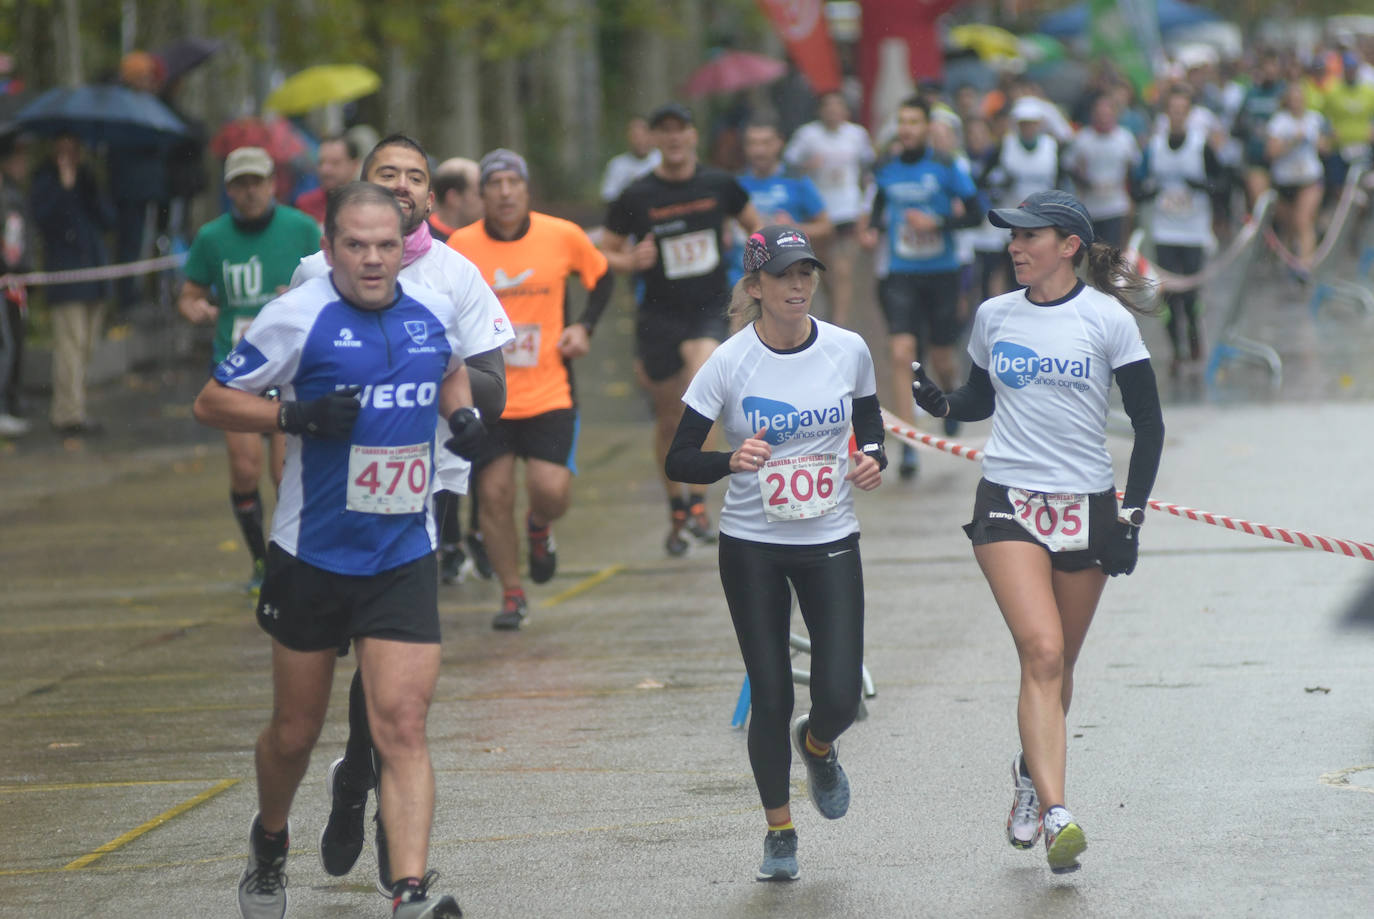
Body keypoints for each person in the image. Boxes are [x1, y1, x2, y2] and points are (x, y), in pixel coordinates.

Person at [195, 182, 468, 919]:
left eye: (386, 244)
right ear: (330, 245)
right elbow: (212, 400)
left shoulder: (432, 310)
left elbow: (450, 367)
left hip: (404, 549)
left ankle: (408, 893)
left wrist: (463, 413)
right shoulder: (297, 316)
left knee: (402, 723)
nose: (373, 259)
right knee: (296, 731)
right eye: (356, 244)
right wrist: (295, 413)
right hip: (312, 553)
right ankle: (270, 840)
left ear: (404, 242)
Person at [910, 189, 1164, 874]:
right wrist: (942, 403)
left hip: (1086, 505)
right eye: (1011, 237)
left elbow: (1149, 423)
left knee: (1059, 667)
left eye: (1029, 236)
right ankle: (1057, 812)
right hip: (1008, 501)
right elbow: (980, 398)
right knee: (1043, 651)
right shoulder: (994, 314)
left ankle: (1029, 773)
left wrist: (1131, 513)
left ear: (1070, 245)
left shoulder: (1106, 319)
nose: (1015, 247)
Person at [292, 134, 511, 896]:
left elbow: (493, 381)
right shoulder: (316, 271)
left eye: (417, 176)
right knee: (345, 666)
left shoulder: (454, 274)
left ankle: (372, 791)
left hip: (424, 489)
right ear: (363, 187)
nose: (406, 186)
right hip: (326, 494)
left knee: (395, 679)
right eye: (389, 174)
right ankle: (357, 776)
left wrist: (443, 390)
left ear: (428, 194)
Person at [664, 225, 885, 881]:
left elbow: (869, 422)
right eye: (785, 275)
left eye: (806, 273)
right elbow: (678, 457)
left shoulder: (847, 349)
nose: (799, 286)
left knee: (840, 694)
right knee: (771, 691)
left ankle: (818, 746)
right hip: (753, 544)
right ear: (755, 286)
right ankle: (779, 831)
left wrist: (869, 458)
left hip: (830, 537)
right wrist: (731, 459)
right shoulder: (730, 362)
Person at [449, 149, 613, 629]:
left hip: (549, 391)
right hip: (488, 393)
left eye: (512, 183)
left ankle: (539, 527)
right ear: (481, 194)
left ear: (526, 190)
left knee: (551, 490)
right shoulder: (460, 245)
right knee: (494, 494)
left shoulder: (561, 235)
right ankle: (512, 593)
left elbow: (601, 277)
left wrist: (584, 327)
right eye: (494, 184)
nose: (504, 192)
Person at [600, 101, 762, 555]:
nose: (673, 138)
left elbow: (758, 230)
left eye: (681, 130)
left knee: (701, 387)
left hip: (710, 307)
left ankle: (698, 501)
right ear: (653, 139)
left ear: (693, 136)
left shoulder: (719, 184)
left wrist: (751, 267)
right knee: (669, 414)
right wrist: (630, 261)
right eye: (663, 131)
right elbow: (604, 253)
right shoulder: (637, 196)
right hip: (657, 312)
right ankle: (676, 504)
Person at [178, 147, 322, 592]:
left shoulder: (301, 228)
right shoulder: (212, 237)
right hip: (236, 368)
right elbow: (188, 293)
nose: (250, 192)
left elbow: (333, 280)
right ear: (228, 191)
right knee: (244, 469)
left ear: (273, 183)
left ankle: (292, 560)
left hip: (289, 368)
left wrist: (301, 292)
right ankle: (260, 563)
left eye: (257, 181)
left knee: (285, 472)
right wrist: (196, 308)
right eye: (240, 184)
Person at [858, 95, 981, 479]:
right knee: (902, 352)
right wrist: (871, 230)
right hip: (901, 273)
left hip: (942, 273)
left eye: (914, 122)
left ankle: (949, 397)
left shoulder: (946, 167)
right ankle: (909, 444)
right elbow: (879, 208)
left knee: (943, 357)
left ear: (928, 127)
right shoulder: (887, 168)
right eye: (902, 122)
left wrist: (938, 224)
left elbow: (977, 213)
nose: (907, 129)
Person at [29, 133, 114, 436]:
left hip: (94, 273)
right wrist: (63, 188)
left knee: (87, 345)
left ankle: (76, 405)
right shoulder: (44, 180)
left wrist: (86, 186)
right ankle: (68, 414)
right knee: (70, 344)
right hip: (66, 276)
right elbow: (43, 220)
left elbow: (107, 218)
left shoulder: (89, 179)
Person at [426, 155, 487, 581]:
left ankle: (471, 535)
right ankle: (449, 542)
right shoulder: (440, 247)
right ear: (452, 197)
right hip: (436, 370)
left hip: (481, 362)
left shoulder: (471, 248)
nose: (486, 200)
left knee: (474, 451)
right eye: (477, 191)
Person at [1139, 87, 1225, 371]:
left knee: (1189, 294)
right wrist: (1148, 192)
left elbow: (1222, 184)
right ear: (1166, 114)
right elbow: (1139, 185)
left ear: (1189, 115)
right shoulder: (1155, 146)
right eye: (1172, 111)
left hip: (1194, 231)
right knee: (1167, 294)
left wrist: (1202, 186)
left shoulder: (1201, 146)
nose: (1176, 116)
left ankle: (1195, 338)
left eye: (1181, 111)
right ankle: (1176, 349)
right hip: (1164, 231)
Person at [782, 92, 875, 328]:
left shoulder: (856, 135)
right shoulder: (807, 135)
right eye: (828, 106)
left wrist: (866, 207)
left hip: (848, 210)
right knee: (824, 272)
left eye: (838, 106)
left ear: (846, 111)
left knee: (843, 271)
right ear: (820, 111)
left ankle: (839, 323)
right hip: (819, 213)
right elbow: (787, 168)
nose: (833, 111)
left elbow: (868, 170)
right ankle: (827, 315)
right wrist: (806, 166)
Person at [729, 118, 831, 287]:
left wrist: (793, 229)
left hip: (784, 280)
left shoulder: (796, 180)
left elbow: (826, 227)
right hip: (741, 279)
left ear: (779, 143)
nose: (759, 150)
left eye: (766, 143)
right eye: (752, 143)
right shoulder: (734, 184)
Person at [1266, 83, 1331, 269]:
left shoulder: (1314, 119)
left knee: (1303, 220)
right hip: (1286, 179)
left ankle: (1305, 265)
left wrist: (1318, 141)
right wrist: (1293, 141)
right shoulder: (1279, 121)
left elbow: (1326, 146)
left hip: (1309, 178)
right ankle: (1288, 260)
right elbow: (1271, 151)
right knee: (1289, 225)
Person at [1066, 94, 1141, 250]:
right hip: (1090, 207)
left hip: (1116, 205)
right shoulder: (1083, 138)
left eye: (1107, 114)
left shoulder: (1125, 138)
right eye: (1099, 115)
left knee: (1113, 254)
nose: (1103, 119)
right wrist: (1084, 183)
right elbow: (1070, 167)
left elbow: (1133, 168)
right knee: (1092, 254)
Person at [0, 133, 33, 436]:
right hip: (5, 280)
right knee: (6, 343)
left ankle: (11, 402)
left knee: (13, 340)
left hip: (14, 280)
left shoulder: (14, 194)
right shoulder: (6, 196)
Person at [293, 135, 361, 224]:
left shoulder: (368, 205)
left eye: (335, 163)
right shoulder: (306, 205)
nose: (325, 170)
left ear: (354, 165)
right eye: (321, 162)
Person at [599, 116, 661, 204]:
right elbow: (608, 196)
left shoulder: (661, 160)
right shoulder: (617, 164)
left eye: (643, 135)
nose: (640, 141)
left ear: (651, 135)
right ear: (628, 137)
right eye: (635, 136)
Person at [427, 157, 483, 240]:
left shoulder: (486, 238)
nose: (486, 201)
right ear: (453, 198)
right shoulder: (421, 241)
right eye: (479, 194)